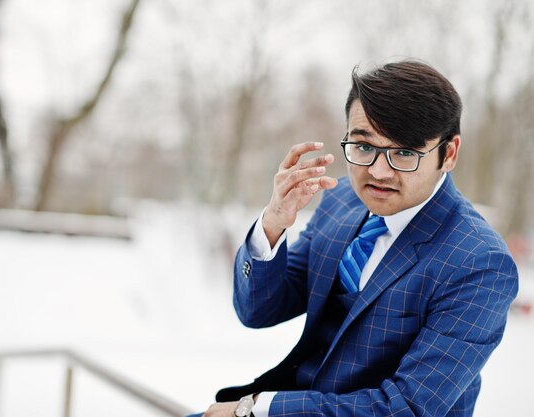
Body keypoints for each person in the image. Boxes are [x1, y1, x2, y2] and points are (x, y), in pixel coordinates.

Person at [190, 59, 518, 417]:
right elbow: (257, 311)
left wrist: (255, 410)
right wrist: (273, 224)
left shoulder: (480, 262)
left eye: (404, 153)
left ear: (449, 153)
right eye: (364, 147)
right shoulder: (342, 199)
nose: (378, 172)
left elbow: (405, 408)